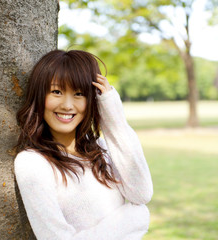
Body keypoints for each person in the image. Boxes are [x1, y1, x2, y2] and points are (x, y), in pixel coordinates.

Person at [14, 49, 153, 240]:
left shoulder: (101, 149)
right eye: (56, 91)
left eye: (79, 93)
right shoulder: (32, 163)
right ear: (40, 95)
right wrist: (134, 219)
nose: (67, 105)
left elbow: (141, 194)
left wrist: (111, 110)